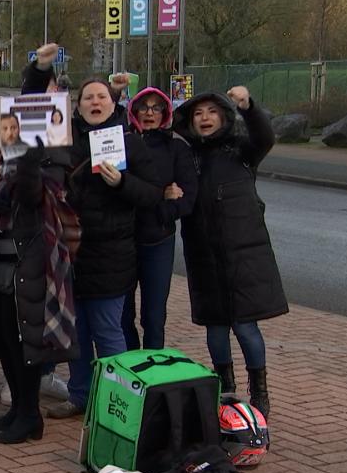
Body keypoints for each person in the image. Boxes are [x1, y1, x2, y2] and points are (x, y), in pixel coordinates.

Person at [22, 43, 162, 419]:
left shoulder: (129, 142)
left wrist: (122, 184)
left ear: (113, 103)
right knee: (76, 332)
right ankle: (81, 394)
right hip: (68, 252)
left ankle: (120, 402)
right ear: (78, 105)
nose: (94, 102)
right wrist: (39, 70)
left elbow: (153, 195)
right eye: (88, 97)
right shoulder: (62, 136)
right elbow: (29, 113)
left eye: (101, 96)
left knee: (107, 330)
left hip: (111, 253)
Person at [173, 86, 287, 418]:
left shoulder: (241, 151)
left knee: (246, 327)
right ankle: (226, 387)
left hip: (243, 257)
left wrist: (248, 106)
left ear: (223, 117)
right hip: (204, 257)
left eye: (211, 112)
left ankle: (259, 391)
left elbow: (264, 137)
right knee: (216, 328)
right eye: (197, 113)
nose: (204, 118)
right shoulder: (188, 157)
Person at [0, 144, 79, 444]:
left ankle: (31, 415)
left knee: (27, 343)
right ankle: (19, 407)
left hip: (32, 261)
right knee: (6, 339)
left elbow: (33, 195)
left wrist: (29, 159)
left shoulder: (53, 157)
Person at [121, 88, 198, 351]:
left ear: (165, 112)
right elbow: (115, 186)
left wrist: (163, 213)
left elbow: (187, 196)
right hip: (125, 240)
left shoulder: (176, 147)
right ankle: (131, 366)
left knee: (154, 317)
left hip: (158, 241)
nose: (150, 113)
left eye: (156, 108)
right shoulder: (122, 142)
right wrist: (160, 194)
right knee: (122, 315)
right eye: (144, 107)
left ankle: (154, 371)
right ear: (134, 111)